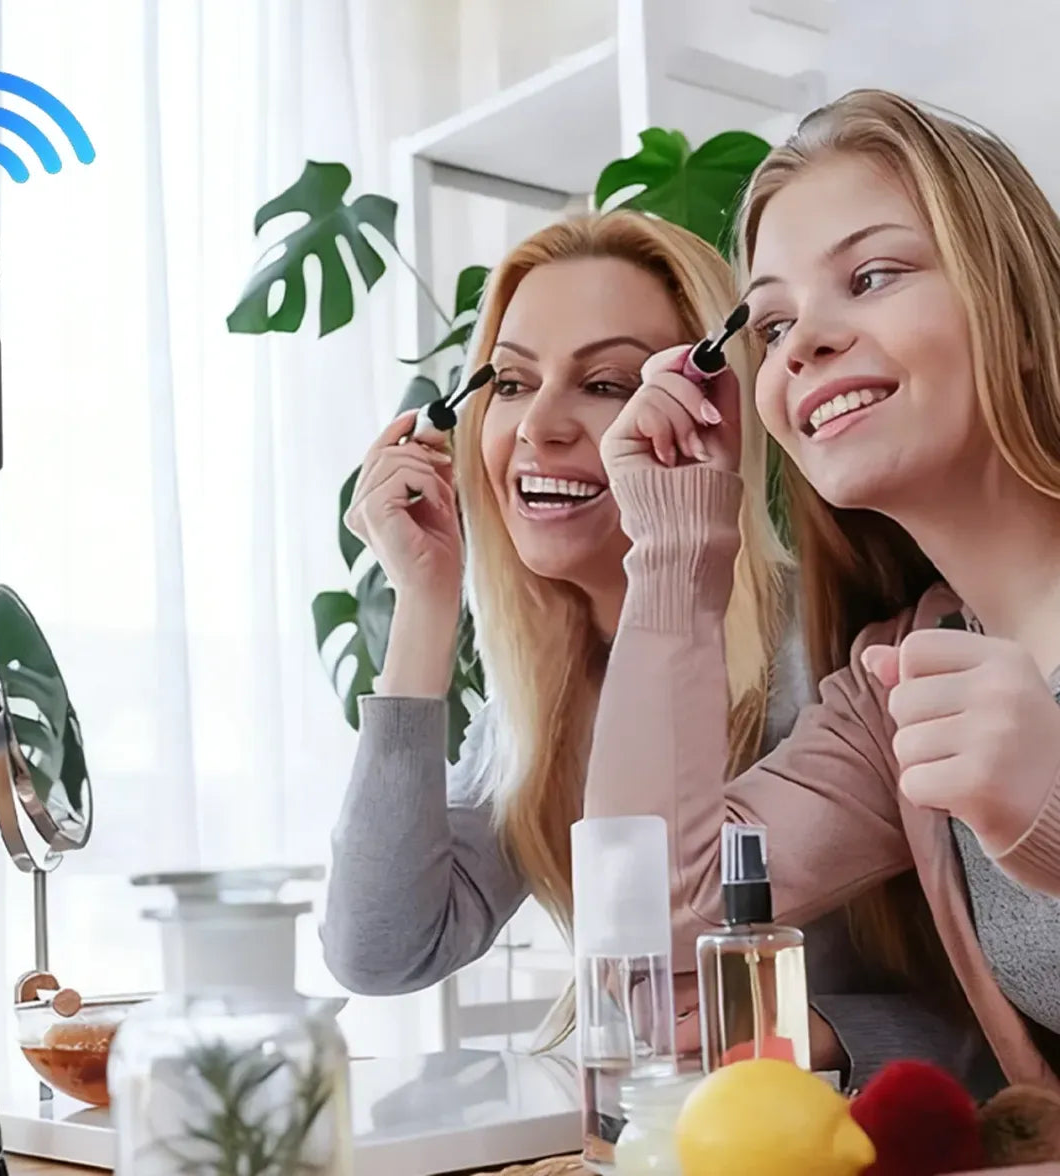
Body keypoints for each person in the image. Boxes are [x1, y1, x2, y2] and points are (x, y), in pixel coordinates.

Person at [320, 209, 974, 1089]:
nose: (539, 426)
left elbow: (1008, 1009)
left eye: (607, 384)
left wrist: (808, 1029)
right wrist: (426, 604)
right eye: (510, 383)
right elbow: (380, 950)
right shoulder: (541, 697)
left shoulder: (829, 651)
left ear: (714, 403)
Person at [586, 88, 1060, 1095]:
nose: (802, 343)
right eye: (770, 323)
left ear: (1022, 313)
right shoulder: (898, 681)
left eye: (874, 275)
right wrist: (676, 551)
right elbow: (657, 940)